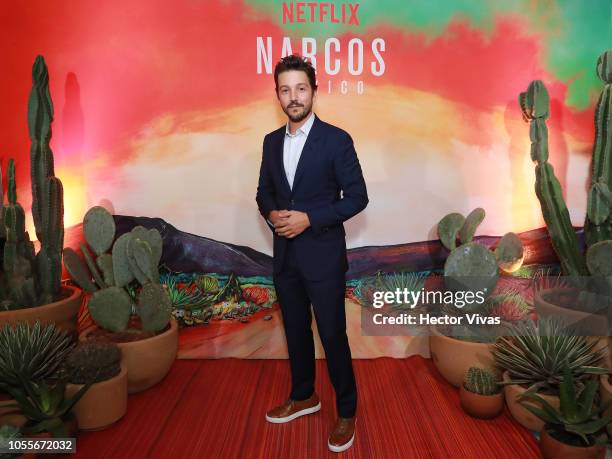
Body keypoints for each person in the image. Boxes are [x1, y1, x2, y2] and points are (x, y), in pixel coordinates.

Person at [256, 54, 368, 453]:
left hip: (323, 257)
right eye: (285, 90)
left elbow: (357, 197)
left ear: (314, 91)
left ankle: (346, 410)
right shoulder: (270, 142)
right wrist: (273, 215)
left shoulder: (337, 140)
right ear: (277, 95)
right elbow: (263, 193)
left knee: (333, 335)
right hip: (285, 258)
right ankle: (304, 395)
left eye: (300, 88)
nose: (293, 96)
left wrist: (308, 219)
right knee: (296, 331)